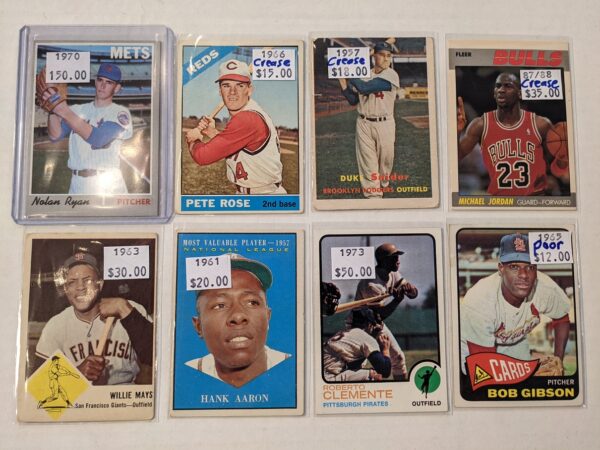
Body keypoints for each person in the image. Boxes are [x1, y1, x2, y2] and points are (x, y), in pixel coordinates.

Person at [35, 251, 153, 385]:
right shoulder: (56, 325)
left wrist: (123, 308)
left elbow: (158, 357)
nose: (80, 287)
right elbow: (38, 389)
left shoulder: (129, 309)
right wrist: (76, 374)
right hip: (79, 397)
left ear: (100, 284)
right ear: (66, 288)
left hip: (123, 395)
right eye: (72, 282)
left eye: (88, 280)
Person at [460, 233, 571, 375]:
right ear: (501, 268)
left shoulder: (545, 289)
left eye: (530, 267)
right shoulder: (479, 300)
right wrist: (530, 370)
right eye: (514, 267)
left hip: (515, 343)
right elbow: (484, 368)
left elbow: (561, 318)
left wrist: (558, 358)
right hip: (473, 351)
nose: (524, 275)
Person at [186, 254, 290, 387]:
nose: (238, 316)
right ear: (198, 326)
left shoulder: (294, 368)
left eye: (252, 302)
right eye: (220, 305)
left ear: (267, 316)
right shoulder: (185, 377)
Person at [186, 59, 286, 195]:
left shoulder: (247, 118)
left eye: (240, 85)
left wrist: (193, 139)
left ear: (249, 90)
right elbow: (238, 148)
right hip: (254, 194)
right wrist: (213, 132)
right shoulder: (250, 112)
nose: (232, 92)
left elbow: (202, 156)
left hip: (264, 197)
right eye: (226, 86)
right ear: (220, 91)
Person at [457, 72, 566, 196]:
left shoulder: (541, 124)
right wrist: (457, 132)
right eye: (498, 86)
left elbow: (557, 165)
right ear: (494, 93)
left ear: (519, 93)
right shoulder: (480, 125)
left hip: (533, 200)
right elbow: (457, 156)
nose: (501, 90)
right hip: (501, 201)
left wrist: (560, 163)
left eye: (508, 86)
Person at [44, 63, 133, 195]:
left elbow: (99, 139)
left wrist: (63, 110)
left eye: (109, 82)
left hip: (108, 184)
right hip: (77, 184)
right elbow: (55, 136)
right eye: (100, 80)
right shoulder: (76, 110)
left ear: (117, 88)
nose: (102, 85)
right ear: (95, 82)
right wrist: (52, 109)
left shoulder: (120, 113)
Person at [339, 41, 399, 198]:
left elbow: (365, 87)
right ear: (374, 56)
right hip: (364, 123)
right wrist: (343, 84)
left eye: (389, 56)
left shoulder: (391, 74)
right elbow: (354, 100)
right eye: (382, 55)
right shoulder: (364, 74)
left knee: (386, 162)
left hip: (385, 123)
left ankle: (383, 183)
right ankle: (373, 195)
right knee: (368, 162)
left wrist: (350, 70)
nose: (386, 59)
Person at [349, 243, 418, 380]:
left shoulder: (393, 273)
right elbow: (379, 315)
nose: (398, 260)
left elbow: (413, 294)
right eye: (393, 257)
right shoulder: (371, 284)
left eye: (398, 256)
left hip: (376, 323)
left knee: (398, 359)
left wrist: (411, 290)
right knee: (357, 368)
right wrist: (397, 300)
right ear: (383, 261)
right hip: (360, 327)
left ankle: (402, 391)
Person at [323, 309, 391, 382]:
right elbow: (385, 371)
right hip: (329, 378)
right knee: (376, 375)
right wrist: (385, 350)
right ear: (369, 325)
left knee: (361, 368)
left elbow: (354, 365)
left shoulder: (344, 334)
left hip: (321, 375)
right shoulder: (364, 337)